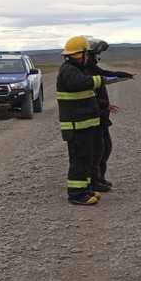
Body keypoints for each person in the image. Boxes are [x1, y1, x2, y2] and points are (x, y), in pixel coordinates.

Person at [56, 36, 107, 206]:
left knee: (86, 159)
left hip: (85, 125)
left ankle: (85, 189)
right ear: (81, 54)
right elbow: (80, 83)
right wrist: (102, 79)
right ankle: (76, 194)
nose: (88, 57)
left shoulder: (76, 68)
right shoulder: (69, 71)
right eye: (87, 53)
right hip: (77, 126)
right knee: (79, 161)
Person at [84, 38, 134, 193]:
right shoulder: (85, 72)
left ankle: (99, 179)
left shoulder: (93, 69)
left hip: (101, 116)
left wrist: (125, 75)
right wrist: (104, 104)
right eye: (95, 56)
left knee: (105, 148)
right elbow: (87, 96)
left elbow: (108, 75)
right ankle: (94, 181)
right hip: (94, 115)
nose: (97, 59)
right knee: (98, 150)